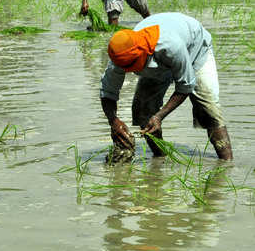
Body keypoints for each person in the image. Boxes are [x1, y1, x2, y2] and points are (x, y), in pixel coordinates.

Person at [100, 12, 233, 160]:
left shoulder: (171, 46)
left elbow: (186, 84)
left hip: (194, 49)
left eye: (131, 66)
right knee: (143, 110)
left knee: (209, 110)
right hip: (159, 60)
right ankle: (160, 160)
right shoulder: (120, 55)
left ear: (141, 53)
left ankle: (227, 164)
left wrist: (159, 116)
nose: (127, 71)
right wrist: (113, 121)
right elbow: (107, 92)